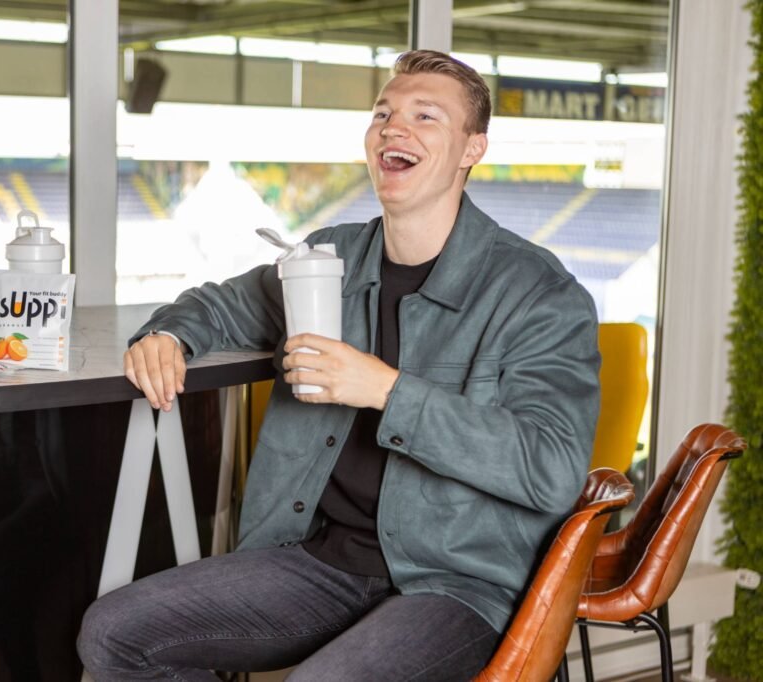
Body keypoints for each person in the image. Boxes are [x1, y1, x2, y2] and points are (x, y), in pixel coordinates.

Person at [79, 49, 600, 681]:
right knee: (113, 633)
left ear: (473, 149)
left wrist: (386, 390)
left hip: (460, 585)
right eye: (383, 113)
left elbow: (551, 468)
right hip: (319, 561)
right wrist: (169, 334)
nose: (394, 127)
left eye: (425, 116)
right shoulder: (329, 258)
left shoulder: (538, 292)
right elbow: (220, 304)